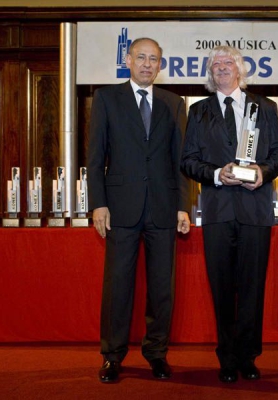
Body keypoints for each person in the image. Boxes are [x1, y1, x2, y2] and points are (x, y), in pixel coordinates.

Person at [181, 45, 278, 383]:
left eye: (228, 63)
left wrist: (263, 172)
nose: (222, 68)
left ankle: (249, 356)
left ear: (240, 69)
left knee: (253, 286)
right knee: (223, 287)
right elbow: (188, 160)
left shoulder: (265, 107)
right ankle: (227, 358)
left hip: (255, 210)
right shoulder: (198, 111)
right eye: (216, 65)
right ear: (210, 74)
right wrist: (216, 174)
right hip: (217, 210)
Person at [87, 37, 191, 383]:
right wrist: (99, 203)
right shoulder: (106, 98)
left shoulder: (174, 103)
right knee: (118, 286)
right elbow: (95, 158)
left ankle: (157, 353)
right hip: (120, 208)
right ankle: (112, 356)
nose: (147, 64)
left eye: (154, 59)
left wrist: (182, 206)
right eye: (141, 57)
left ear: (161, 66)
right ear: (128, 60)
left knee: (162, 288)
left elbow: (180, 162)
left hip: (163, 209)